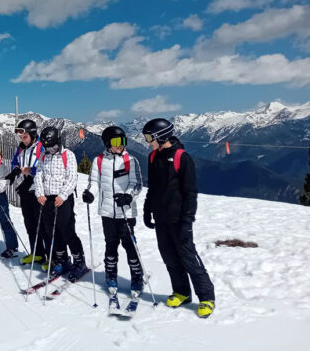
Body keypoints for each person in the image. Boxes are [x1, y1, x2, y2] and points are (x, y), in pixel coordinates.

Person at [142, 118, 215, 318]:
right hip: (161, 218)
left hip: (178, 219)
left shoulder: (182, 158)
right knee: (169, 257)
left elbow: (190, 193)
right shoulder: (152, 157)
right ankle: (182, 292)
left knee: (189, 258)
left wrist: (187, 222)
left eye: (149, 137)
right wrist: (147, 210)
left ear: (161, 136)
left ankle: (207, 297)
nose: (147, 141)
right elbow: (153, 188)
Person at [83, 126, 144, 303]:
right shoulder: (99, 161)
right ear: (108, 143)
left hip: (126, 211)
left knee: (130, 245)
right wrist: (90, 193)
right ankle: (111, 276)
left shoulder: (131, 160)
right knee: (111, 244)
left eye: (123, 141)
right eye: (117, 142)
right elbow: (94, 182)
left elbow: (137, 184)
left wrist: (128, 196)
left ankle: (137, 277)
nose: (121, 146)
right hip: (107, 212)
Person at [34, 126, 88, 282]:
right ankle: (62, 259)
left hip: (63, 199)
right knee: (52, 231)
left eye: (52, 146)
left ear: (58, 141)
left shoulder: (67, 155)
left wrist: (63, 195)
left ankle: (79, 261)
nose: (50, 149)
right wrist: (40, 193)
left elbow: (72, 177)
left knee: (67, 230)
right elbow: (38, 176)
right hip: (47, 199)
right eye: (46, 146)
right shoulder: (44, 156)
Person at [6, 119, 48, 265]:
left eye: (25, 137)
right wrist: (15, 170)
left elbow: (46, 166)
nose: (23, 140)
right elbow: (14, 163)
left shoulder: (41, 148)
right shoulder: (21, 149)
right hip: (25, 191)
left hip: (38, 191)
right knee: (29, 223)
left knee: (41, 224)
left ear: (32, 134)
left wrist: (29, 171)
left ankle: (50, 255)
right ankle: (36, 252)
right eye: (21, 138)